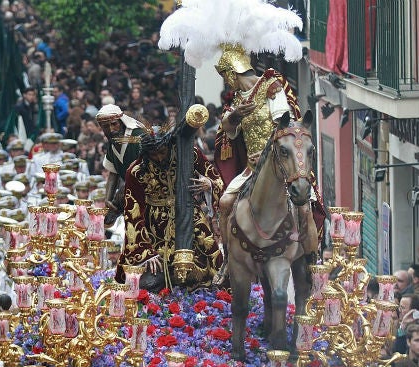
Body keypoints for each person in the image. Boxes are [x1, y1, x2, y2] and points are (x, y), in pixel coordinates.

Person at [213, 44, 323, 282]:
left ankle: (313, 264)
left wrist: (268, 152)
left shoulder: (271, 86)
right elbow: (228, 131)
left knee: (304, 210)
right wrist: (235, 116)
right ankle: (228, 260)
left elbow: (282, 124)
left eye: (225, 76)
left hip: (282, 165)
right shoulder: (238, 101)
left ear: (233, 72)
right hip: (253, 169)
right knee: (225, 203)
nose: (227, 82)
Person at [115, 120, 224, 292]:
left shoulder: (189, 155)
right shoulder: (135, 171)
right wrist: (145, 251)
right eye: (153, 154)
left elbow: (217, 179)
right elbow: (132, 212)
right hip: (155, 223)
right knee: (152, 273)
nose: (159, 157)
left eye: (162, 152)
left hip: (189, 214)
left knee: (210, 259)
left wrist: (208, 184)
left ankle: (212, 299)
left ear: (170, 145)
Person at [95, 104, 143, 225]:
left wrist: (124, 190)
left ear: (121, 122)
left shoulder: (138, 136)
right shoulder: (112, 144)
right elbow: (113, 173)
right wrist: (108, 199)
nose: (111, 129)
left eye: (114, 124)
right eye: (106, 126)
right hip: (133, 200)